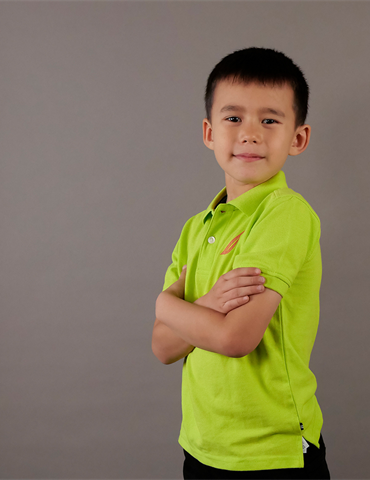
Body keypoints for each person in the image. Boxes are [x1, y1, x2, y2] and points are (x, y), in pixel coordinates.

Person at [152, 47, 331, 479]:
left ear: (298, 138)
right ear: (209, 132)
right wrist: (207, 306)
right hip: (202, 446)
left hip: (272, 453)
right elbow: (163, 347)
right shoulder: (196, 228)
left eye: (269, 121)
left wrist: (164, 304)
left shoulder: (285, 213)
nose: (250, 134)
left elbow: (235, 338)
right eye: (233, 118)